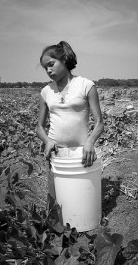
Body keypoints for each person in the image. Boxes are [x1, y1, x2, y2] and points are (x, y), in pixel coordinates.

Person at [36, 40, 104, 197]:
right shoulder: (45, 92)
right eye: (45, 67)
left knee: (82, 198)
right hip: (57, 154)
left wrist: (90, 141)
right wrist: (47, 141)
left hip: (82, 154)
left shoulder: (86, 85)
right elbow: (39, 127)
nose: (48, 70)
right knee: (58, 199)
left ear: (64, 60)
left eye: (51, 64)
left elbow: (99, 123)